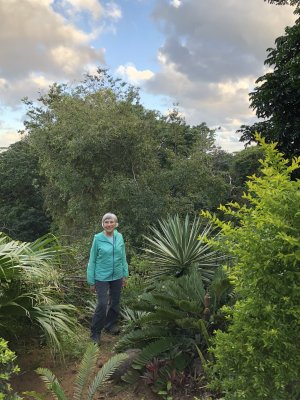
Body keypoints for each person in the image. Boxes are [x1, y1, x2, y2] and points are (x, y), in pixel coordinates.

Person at [87, 212, 129, 343]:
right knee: (102, 303)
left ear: (116, 224)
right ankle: (95, 332)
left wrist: (124, 275)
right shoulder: (98, 238)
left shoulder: (119, 237)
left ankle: (110, 324)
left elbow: (123, 256)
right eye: (106, 222)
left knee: (115, 302)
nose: (109, 224)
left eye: (111, 222)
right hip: (101, 276)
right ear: (103, 224)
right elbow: (92, 260)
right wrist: (91, 280)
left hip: (117, 275)